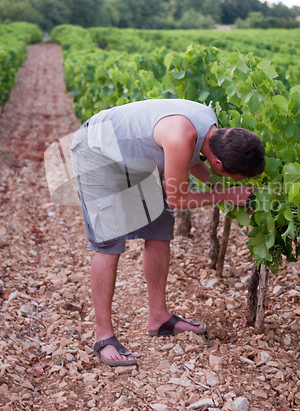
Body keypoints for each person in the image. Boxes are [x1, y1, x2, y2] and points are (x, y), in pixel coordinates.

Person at [70, 98, 265, 367]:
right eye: (233, 175)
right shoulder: (180, 135)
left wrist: (229, 190)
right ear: (218, 161)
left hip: (133, 160)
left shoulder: (212, 129)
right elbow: (178, 198)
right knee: (109, 244)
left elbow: (195, 163)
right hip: (98, 154)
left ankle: (159, 318)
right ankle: (103, 336)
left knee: (160, 227)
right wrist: (226, 193)